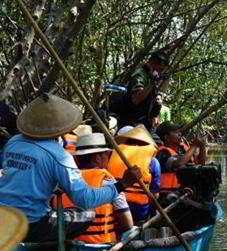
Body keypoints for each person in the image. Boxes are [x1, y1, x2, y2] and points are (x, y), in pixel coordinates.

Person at [0, 94, 140, 242]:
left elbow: (16, 173)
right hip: (31, 225)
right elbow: (85, 199)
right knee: (88, 214)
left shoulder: (13, 142)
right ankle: (51, 250)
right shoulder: (59, 156)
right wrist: (122, 184)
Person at [65, 133, 134, 243]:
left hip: (69, 246)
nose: (108, 158)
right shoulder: (108, 181)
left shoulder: (65, 180)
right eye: (106, 155)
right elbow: (127, 224)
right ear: (97, 158)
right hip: (101, 248)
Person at [107, 125, 160, 223]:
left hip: (113, 209)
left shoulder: (111, 154)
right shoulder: (153, 161)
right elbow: (155, 194)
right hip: (140, 212)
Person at [112, 52, 170, 130]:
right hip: (129, 121)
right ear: (152, 63)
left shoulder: (150, 77)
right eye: (160, 69)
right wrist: (153, 82)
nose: (160, 72)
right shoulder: (140, 74)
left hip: (144, 122)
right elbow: (136, 99)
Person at [156, 121, 207, 194]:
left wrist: (202, 146)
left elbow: (200, 164)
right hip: (170, 195)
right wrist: (194, 146)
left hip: (187, 191)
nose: (180, 134)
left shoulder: (182, 149)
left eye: (179, 132)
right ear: (167, 137)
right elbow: (179, 163)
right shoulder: (163, 153)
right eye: (176, 132)